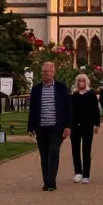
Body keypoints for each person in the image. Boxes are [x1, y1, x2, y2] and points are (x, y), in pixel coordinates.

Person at [27, 61, 72, 191]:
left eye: (49, 71)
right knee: (44, 154)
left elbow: (68, 108)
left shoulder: (61, 88)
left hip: (56, 127)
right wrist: (30, 127)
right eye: (45, 71)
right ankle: (46, 180)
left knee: (53, 151)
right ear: (42, 73)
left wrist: (68, 126)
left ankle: (50, 182)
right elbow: (33, 109)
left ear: (54, 73)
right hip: (41, 127)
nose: (47, 74)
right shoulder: (36, 89)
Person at [70, 73, 101, 184]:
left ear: (86, 82)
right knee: (75, 150)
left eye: (83, 80)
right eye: (79, 80)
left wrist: (96, 124)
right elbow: (70, 111)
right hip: (75, 125)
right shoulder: (73, 95)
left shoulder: (91, 94)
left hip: (87, 125)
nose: (81, 82)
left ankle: (86, 174)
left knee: (86, 150)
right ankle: (78, 172)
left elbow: (95, 110)